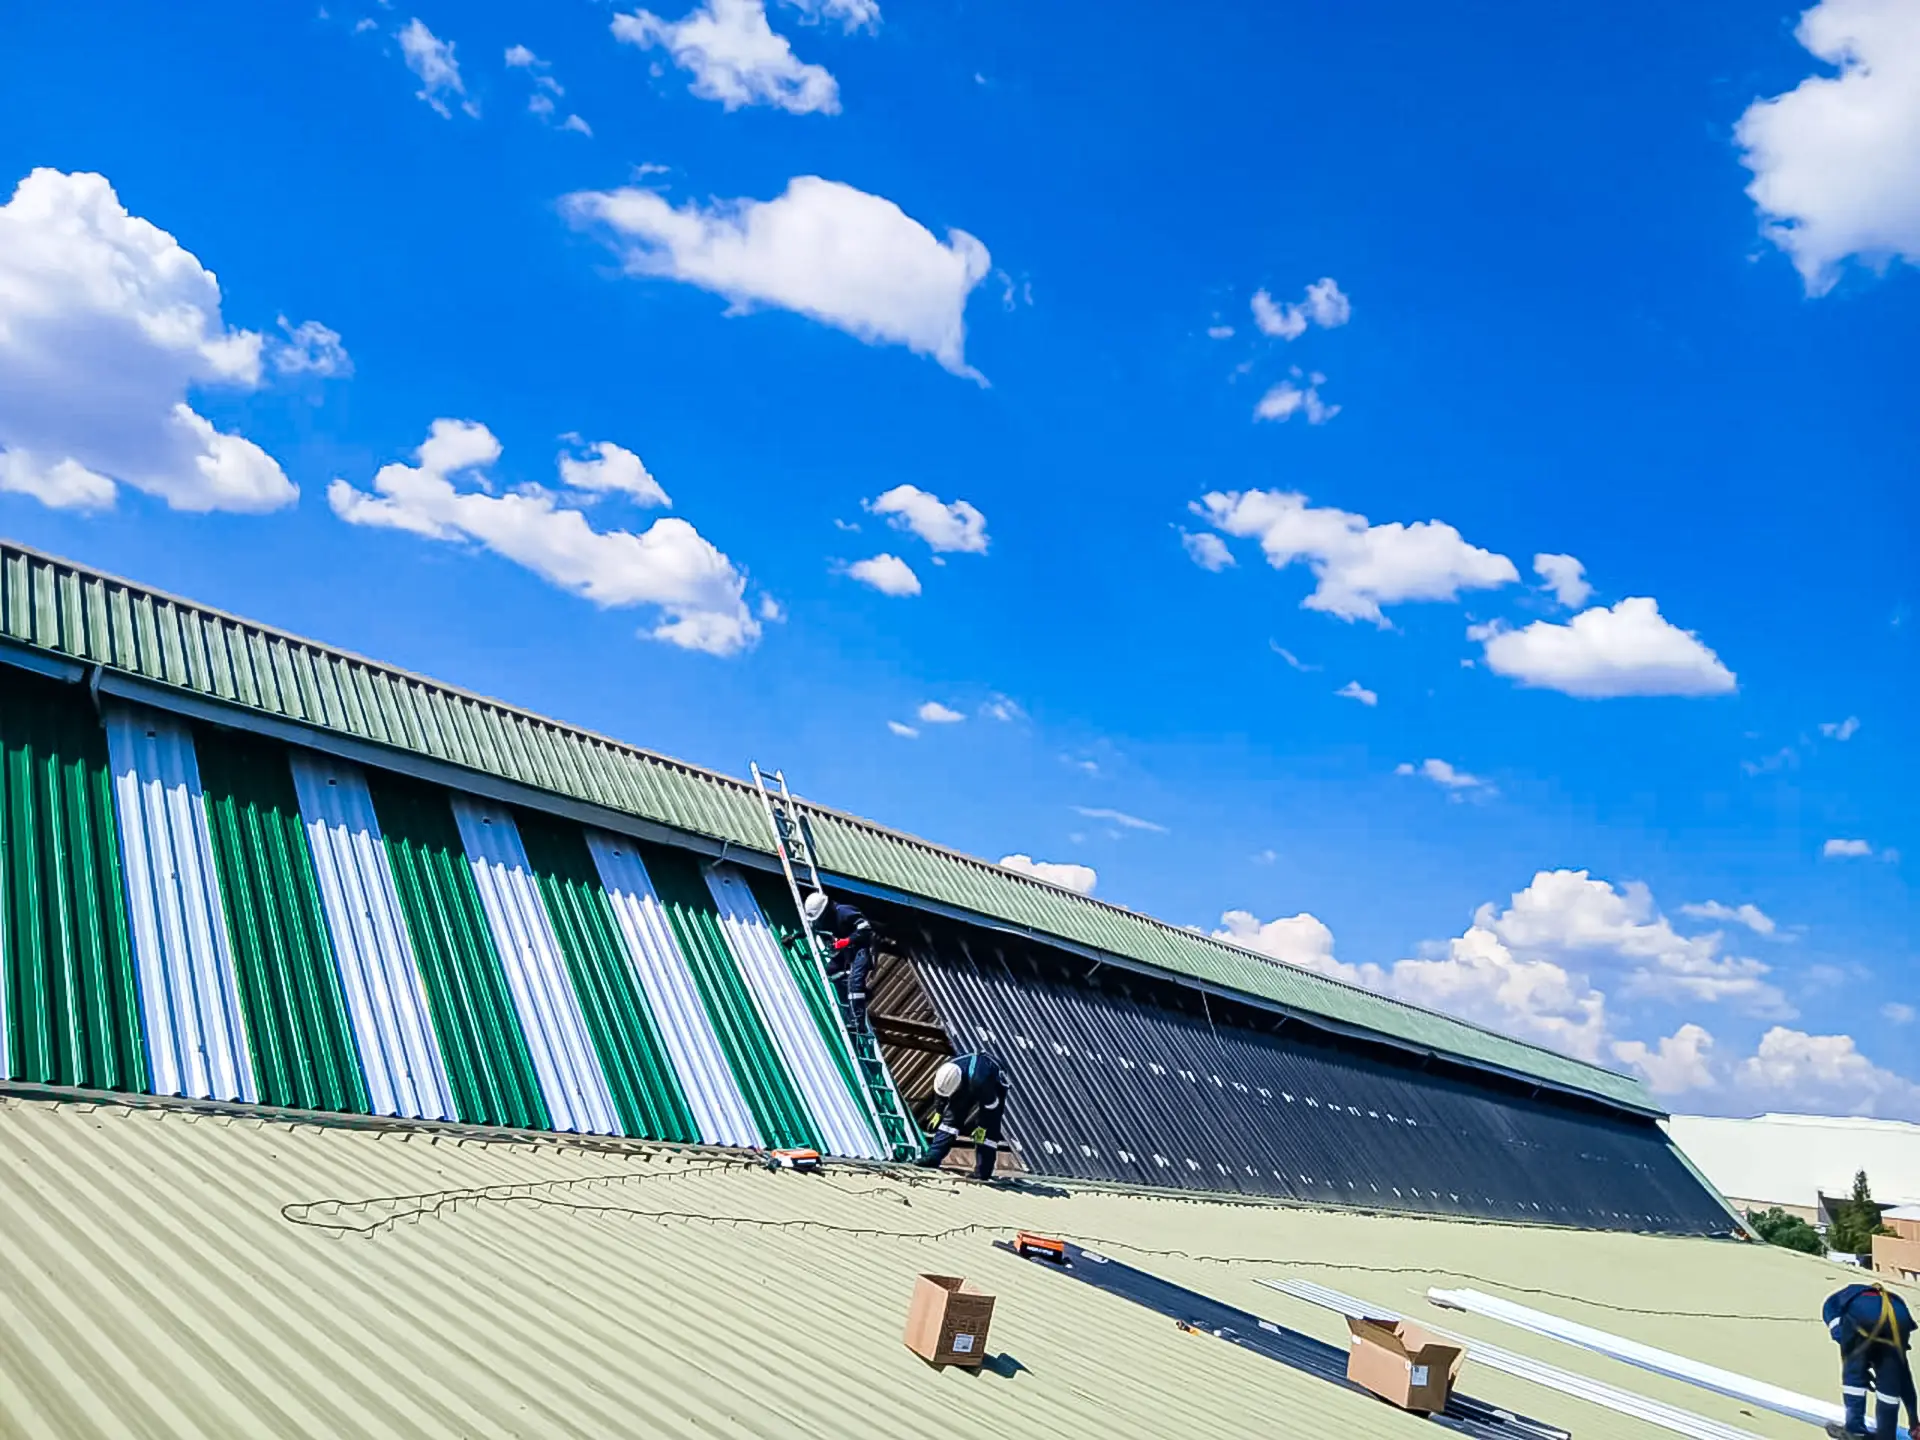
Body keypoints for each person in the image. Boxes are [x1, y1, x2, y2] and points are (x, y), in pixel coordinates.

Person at [1823, 1280, 1918, 1440]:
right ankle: (1886, 1436)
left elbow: (1845, 1341)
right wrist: (1914, 1421)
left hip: (1864, 1312)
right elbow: (1905, 1382)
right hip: (1900, 1315)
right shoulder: (1850, 1298)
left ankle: (1855, 1430)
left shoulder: (1835, 1305)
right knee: (1890, 1385)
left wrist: (1859, 1365)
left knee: (1853, 1375)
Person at [917, 1051, 1012, 1181]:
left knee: (987, 1133)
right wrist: (939, 1111)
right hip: (967, 1077)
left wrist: (983, 1127)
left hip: (992, 1082)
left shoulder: (981, 1082)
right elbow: (941, 1093)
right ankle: (933, 1157)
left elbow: (991, 1105)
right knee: (951, 1118)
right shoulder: (946, 1071)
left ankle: (982, 1171)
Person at [802, 890, 875, 1031]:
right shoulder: (827, 919)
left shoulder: (844, 911)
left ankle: (858, 1022)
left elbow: (865, 928)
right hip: (847, 951)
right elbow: (812, 929)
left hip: (861, 949)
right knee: (832, 970)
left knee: (855, 983)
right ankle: (860, 997)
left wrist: (847, 941)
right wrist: (795, 936)